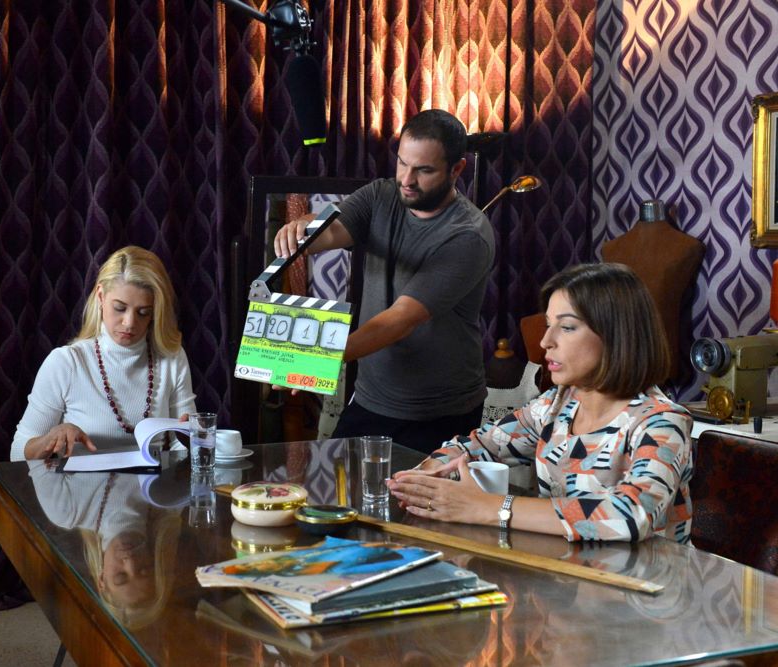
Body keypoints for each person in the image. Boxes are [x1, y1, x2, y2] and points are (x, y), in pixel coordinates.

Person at [387, 263, 694, 543]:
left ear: (617, 335)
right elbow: (477, 445)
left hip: (648, 583)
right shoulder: (555, 405)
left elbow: (631, 515)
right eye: (548, 324)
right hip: (568, 575)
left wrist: (488, 507)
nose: (546, 341)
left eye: (567, 327)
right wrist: (427, 477)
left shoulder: (662, 421)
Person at [273, 109, 495, 454]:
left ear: (457, 170)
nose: (407, 179)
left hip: (440, 412)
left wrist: (317, 358)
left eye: (424, 170)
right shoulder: (381, 194)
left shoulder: (468, 236)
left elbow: (400, 320)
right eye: (402, 163)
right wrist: (304, 231)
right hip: (371, 399)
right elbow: (334, 229)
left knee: (414, 492)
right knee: (334, 485)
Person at [11, 246, 196, 461]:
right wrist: (50, 438)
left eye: (143, 312)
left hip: (155, 482)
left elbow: (182, 443)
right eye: (120, 308)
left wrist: (193, 441)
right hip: (81, 483)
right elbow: (17, 452)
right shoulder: (66, 363)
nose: (129, 323)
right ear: (101, 296)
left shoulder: (172, 357)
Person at [29, 461, 182, 629]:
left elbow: (30, 448)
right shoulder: (171, 503)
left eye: (120, 577)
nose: (130, 562)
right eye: (143, 570)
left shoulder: (66, 511)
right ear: (155, 563)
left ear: (102, 579)